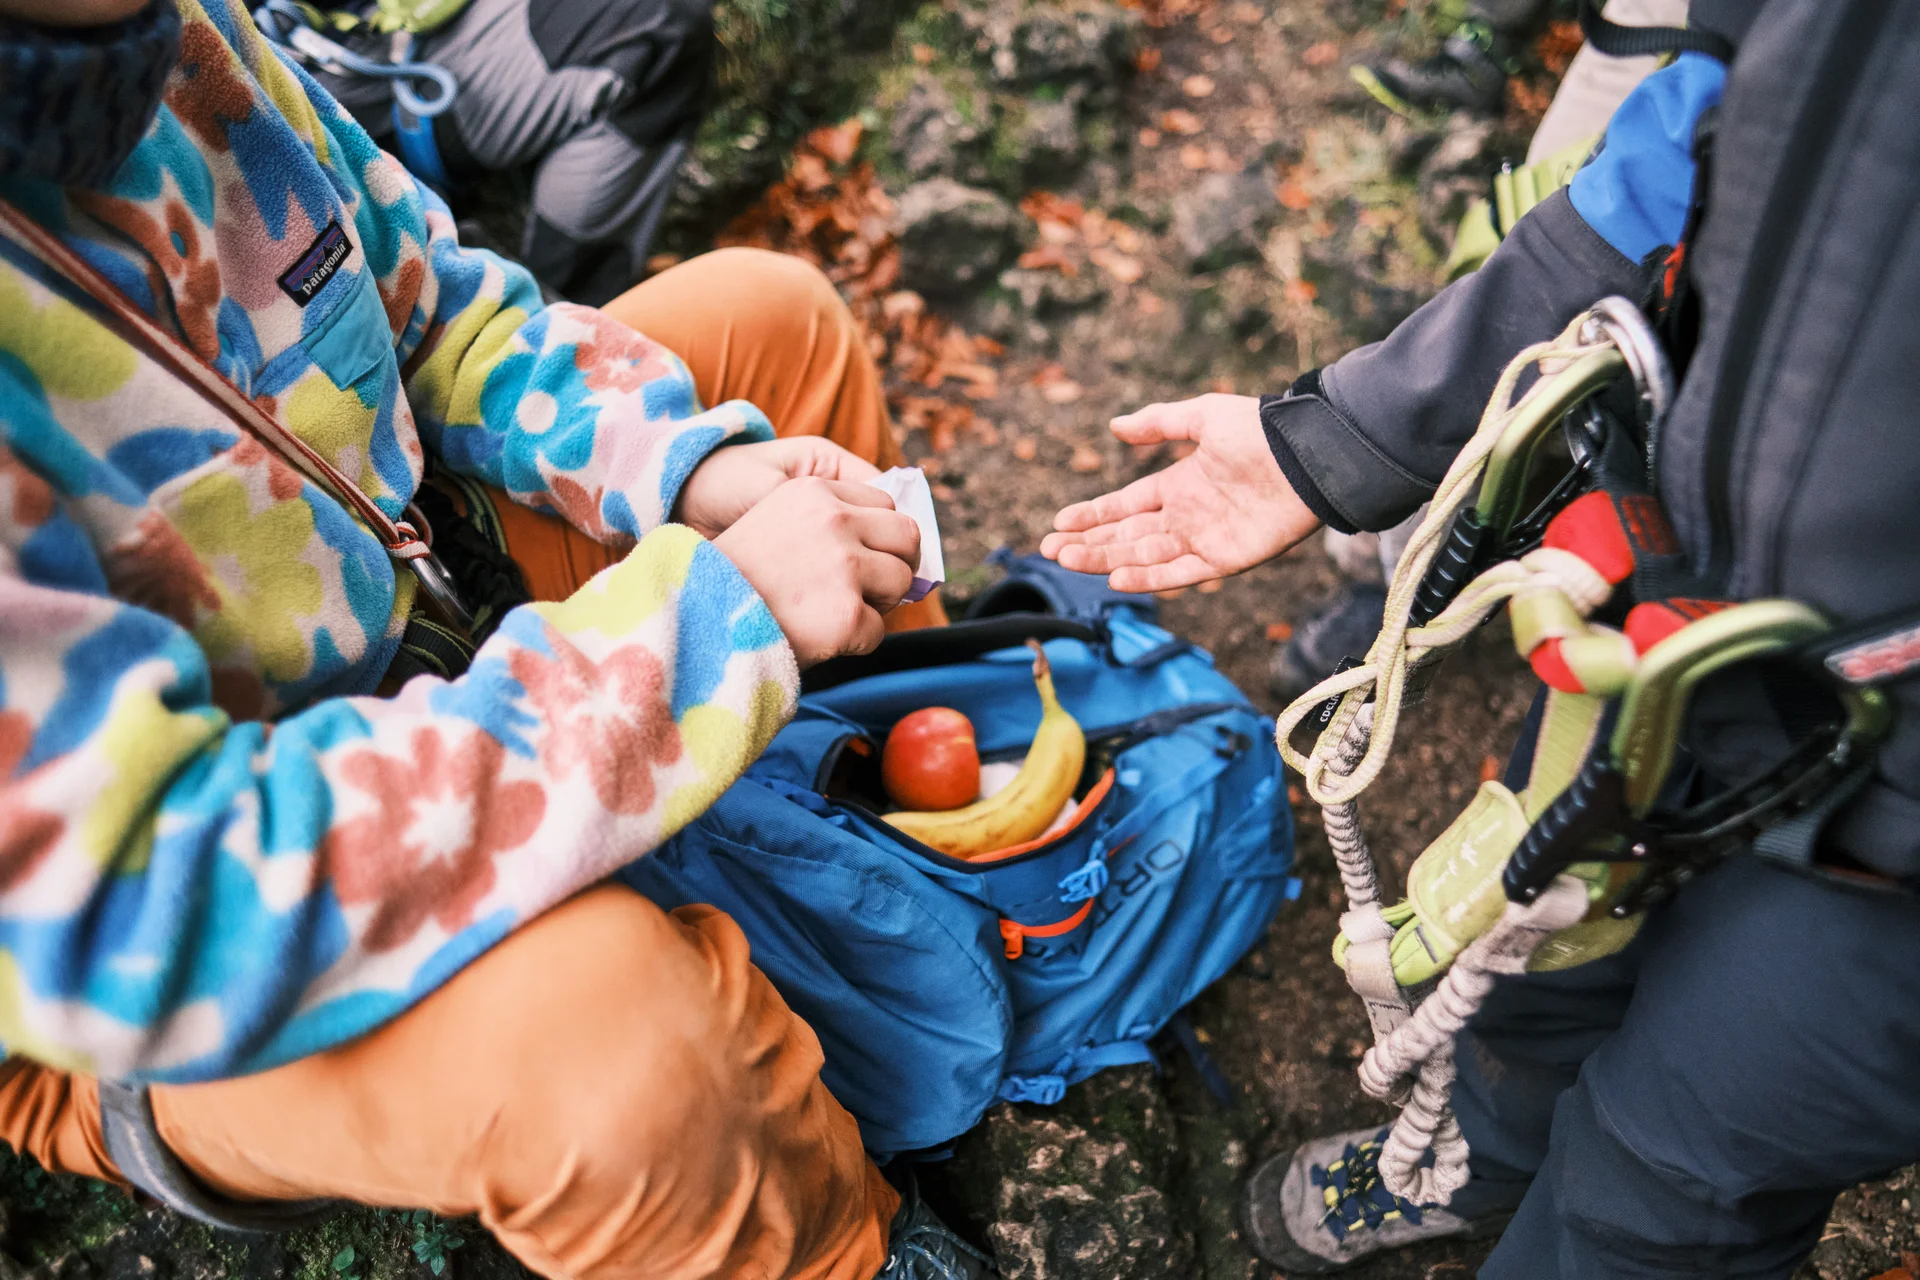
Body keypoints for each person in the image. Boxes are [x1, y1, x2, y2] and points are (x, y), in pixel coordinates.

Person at [0, 2, 989, 1277]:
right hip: (158, 962)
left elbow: (440, 313)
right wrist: (701, 632)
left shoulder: (174, 35)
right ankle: (848, 1245)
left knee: (774, 320)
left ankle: (923, 814)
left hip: (419, 611)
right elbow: (148, 904)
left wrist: (683, 471)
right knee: (616, 1042)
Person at [1045, 0, 1920, 1273]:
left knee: (1676, 1168)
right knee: (1531, 961)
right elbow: (1690, 125)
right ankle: (1473, 1160)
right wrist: (1353, 434)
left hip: (1892, 844)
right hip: (1658, 618)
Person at [303, 0, 715, 305]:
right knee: (656, 24)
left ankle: (571, 331)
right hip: (326, 69)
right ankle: (565, 335)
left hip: (413, 24)